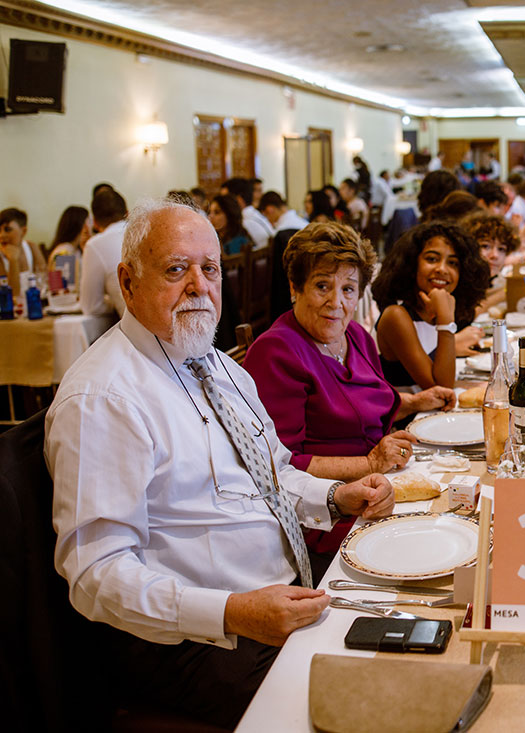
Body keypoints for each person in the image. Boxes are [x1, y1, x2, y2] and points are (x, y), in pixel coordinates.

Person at [45, 198, 395, 727]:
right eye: (175, 269)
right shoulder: (105, 397)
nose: (198, 286)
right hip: (190, 640)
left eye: (209, 269)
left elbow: (273, 471)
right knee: (365, 709)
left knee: (404, 635)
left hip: (283, 594)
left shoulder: (213, 364)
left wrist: (333, 496)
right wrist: (233, 612)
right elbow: (95, 574)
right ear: (127, 281)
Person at [244, 221, 454, 557]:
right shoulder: (276, 352)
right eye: (322, 285)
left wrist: (414, 402)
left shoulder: (355, 335)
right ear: (295, 287)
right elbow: (281, 465)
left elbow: (364, 403)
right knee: (440, 544)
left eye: (348, 289)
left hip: (381, 486)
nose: (336, 302)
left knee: (460, 511)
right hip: (330, 512)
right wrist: (369, 463)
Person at [373, 221, 491, 388]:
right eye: (432, 259)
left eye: (453, 263)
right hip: (410, 413)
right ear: (412, 265)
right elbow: (441, 387)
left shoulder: (438, 308)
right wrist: (446, 320)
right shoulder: (396, 315)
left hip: (434, 411)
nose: (442, 269)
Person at [81, 189, 128, 316]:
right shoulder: (147, 230)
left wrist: (115, 301)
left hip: (139, 329)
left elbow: (91, 306)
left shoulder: (94, 245)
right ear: (128, 213)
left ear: (95, 223)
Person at [463, 211, 520, 314]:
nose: (495, 255)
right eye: (485, 246)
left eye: (501, 249)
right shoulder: (462, 278)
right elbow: (468, 316)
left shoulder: (483, 280)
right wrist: (504, 293)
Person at [0, 207, 47, 296]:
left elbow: (44, 280)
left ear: (23, 231)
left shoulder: (32, 247)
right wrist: (13, 261)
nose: (2, 235)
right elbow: (12, 295)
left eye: (7, 229)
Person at [221, 177, 273, 248]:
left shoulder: (244, 222)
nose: (222, 205)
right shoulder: (255, 214)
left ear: (238, 200)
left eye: (225, 200)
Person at [47, 205, 91, 279]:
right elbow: (68, 283)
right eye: (88, 222)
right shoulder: (64, 251)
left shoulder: (76, 249)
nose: (90, 227)